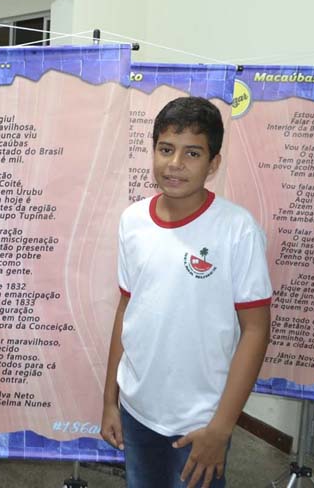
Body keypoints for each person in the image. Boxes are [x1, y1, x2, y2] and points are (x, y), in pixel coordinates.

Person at [101, 97, 271, 488]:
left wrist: (221, 428)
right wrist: (110, 400)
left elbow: (256, 330)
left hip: (200, 421)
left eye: (192, 153)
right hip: (137, 409)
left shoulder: (237, 229)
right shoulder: (132, 220)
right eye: (166, 149)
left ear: (213, 164)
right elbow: (127, 309)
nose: (175, 163)